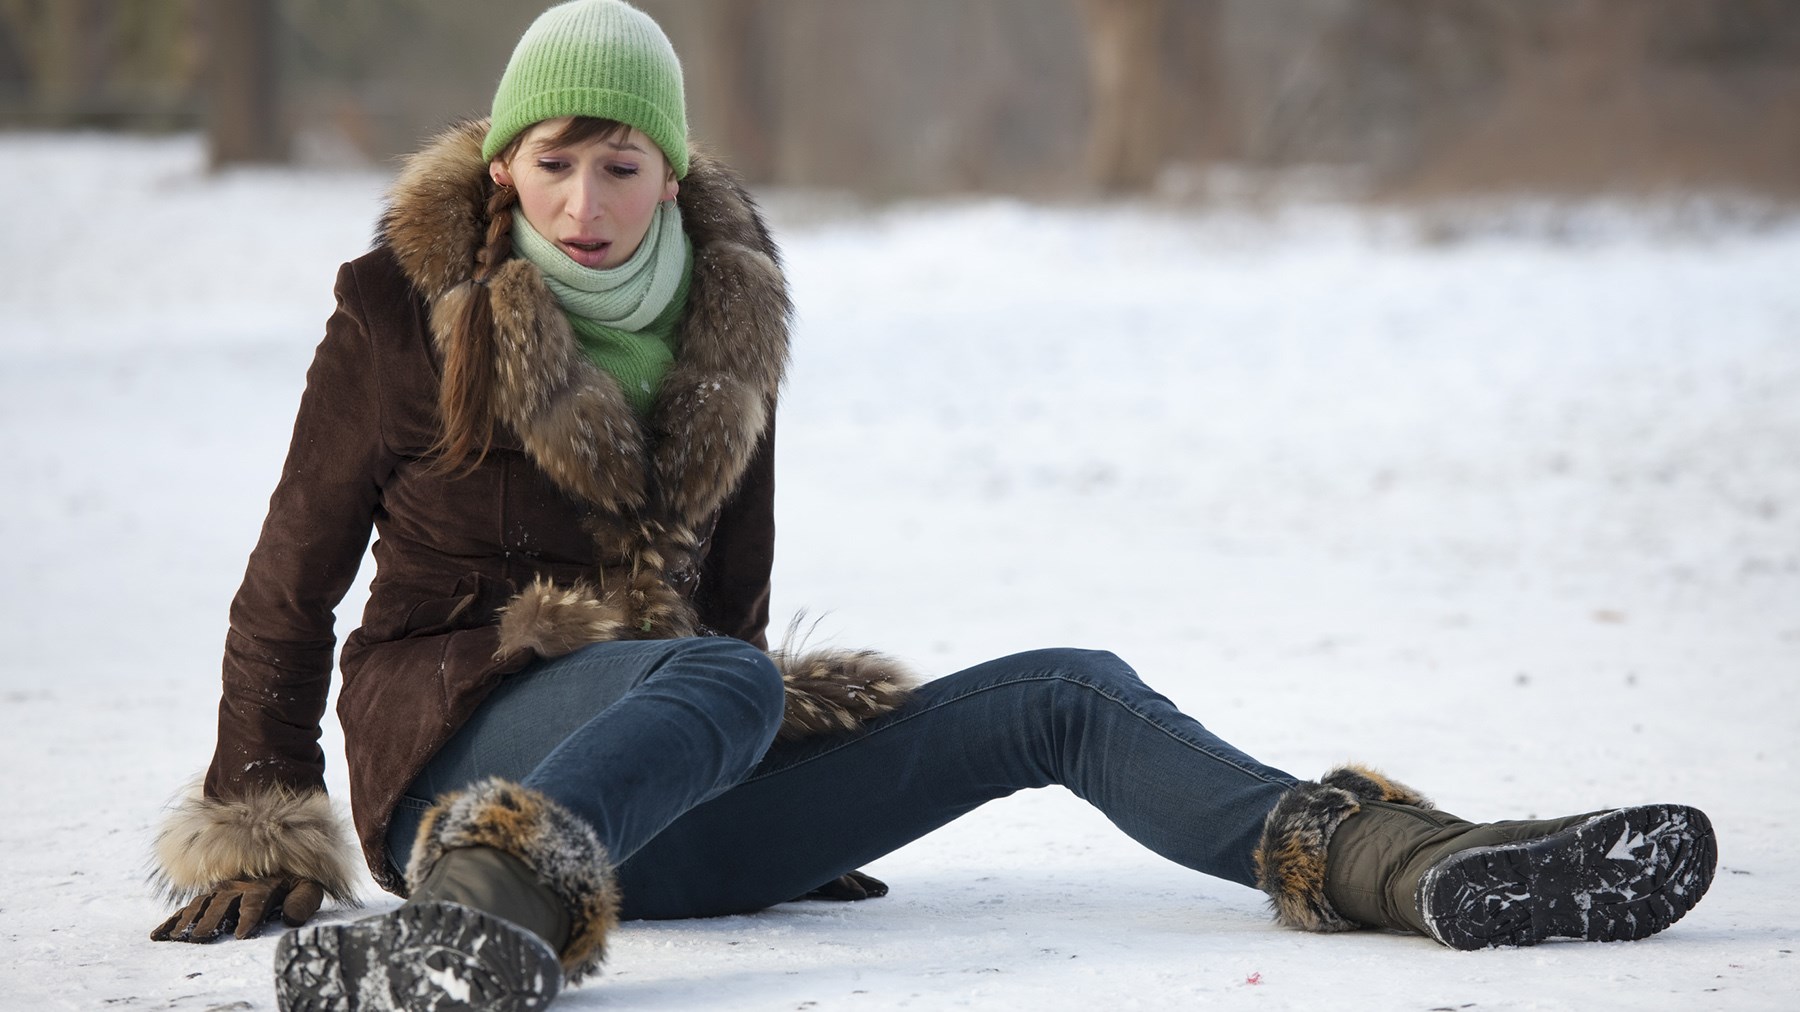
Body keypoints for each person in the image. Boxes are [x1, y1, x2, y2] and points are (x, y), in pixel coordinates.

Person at [146, 3, 1718, 1010]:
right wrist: (260, 819)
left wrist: (763, 778)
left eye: (621, 166)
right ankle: (479, 933)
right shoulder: (398, 309)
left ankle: (1411, 865)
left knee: (1068, 694)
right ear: (503, 172)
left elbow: (726, 601)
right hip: (454, 764)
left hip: (652, 809)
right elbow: (288, 584)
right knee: (726, 677)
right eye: (555, 164)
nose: (587, 203)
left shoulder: (730, 324)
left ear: (670, 171)